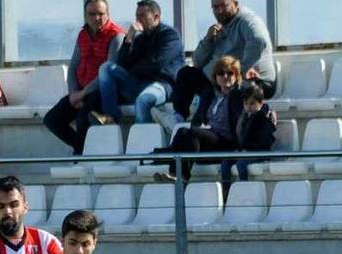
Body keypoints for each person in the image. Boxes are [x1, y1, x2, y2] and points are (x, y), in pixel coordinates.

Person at [153, 0, 276, 129]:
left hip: (256, 83)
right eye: (215, 7)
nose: (220, 10)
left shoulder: (247, 21)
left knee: (211, 91)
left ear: (235, 4)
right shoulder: (219, 28)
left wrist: (241, 70)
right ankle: (178, 118)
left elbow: (259, 41)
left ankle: (201, 126)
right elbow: (197, 62)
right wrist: (208, 40)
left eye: (224, 5)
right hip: (222, 80)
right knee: (187, 74)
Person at [43, 0, 124, 155]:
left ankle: (80, 155)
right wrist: (74, 93)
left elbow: (109, 72)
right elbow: (73, 67)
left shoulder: (116, 36)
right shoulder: (83, 35)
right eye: (92, 14)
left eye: (101, 14)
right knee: (52, 119)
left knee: (83, 117)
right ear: (86, 16)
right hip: (80, 90)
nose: (97, 18)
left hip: (102, 91)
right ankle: (80, 147)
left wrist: (83, 94)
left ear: (108, 14)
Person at [153, 56, 244, 183]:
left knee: (193, 133)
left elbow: (255, 101)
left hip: (228, 142)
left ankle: (181, 174)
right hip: (214, 138)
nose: (225, 76)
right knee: (182, 132)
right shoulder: (213, 96)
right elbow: (200, 118)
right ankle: (173, 172)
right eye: (221, 73)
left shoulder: (238, 95)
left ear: (236, 76)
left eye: (230, 73)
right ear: (215, 77)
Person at [95, 0, 184, 124]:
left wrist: (133, 69)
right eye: (137, 16)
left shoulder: (170, 36)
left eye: (142, 15)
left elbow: (157, 64)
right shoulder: (140, 39)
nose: (138, 19)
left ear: (156, 16)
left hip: (162, 84)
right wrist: (129, 38)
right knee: (106, 68)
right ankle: (111, 117)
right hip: (139, 83)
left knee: (143, 101)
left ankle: (144, 141)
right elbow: (123, 64)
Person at [219, 84, 275, 200]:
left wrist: (247, 149)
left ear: (260, 103)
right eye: (246, 104)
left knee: (241, 163)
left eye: (252, 103)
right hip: (245, 151)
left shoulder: (263, 119)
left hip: (259, 152)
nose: (248, 107)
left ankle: (244, 189)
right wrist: (239, 149)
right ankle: (226, 191)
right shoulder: (243, 118)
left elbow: (261, 139)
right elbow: (239, 137)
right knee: (225, 162)